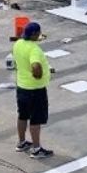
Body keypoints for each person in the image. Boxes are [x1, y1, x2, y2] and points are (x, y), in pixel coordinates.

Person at [12, 21, 53, 157]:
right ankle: (36, 149)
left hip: (22, 87)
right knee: (35, 119)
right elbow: (35, 65)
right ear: (35, 34)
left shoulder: (18, 44)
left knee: (22, 115)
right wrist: (38, 74)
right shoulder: (34, 49)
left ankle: (22, 142)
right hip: (35, 89)